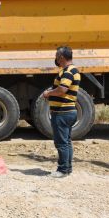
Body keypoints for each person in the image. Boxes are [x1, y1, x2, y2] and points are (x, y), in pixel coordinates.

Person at [43, 46, 81, 178]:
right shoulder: (71, 70)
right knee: (66, 141)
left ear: (62, 57)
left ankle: (63, 170)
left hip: (62, 112)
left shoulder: (68, 72)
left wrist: (48, 93)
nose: (56, 59)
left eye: (57, 56)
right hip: (68, 111)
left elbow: (62, 90)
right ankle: (67, 168)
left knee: (61, 142)